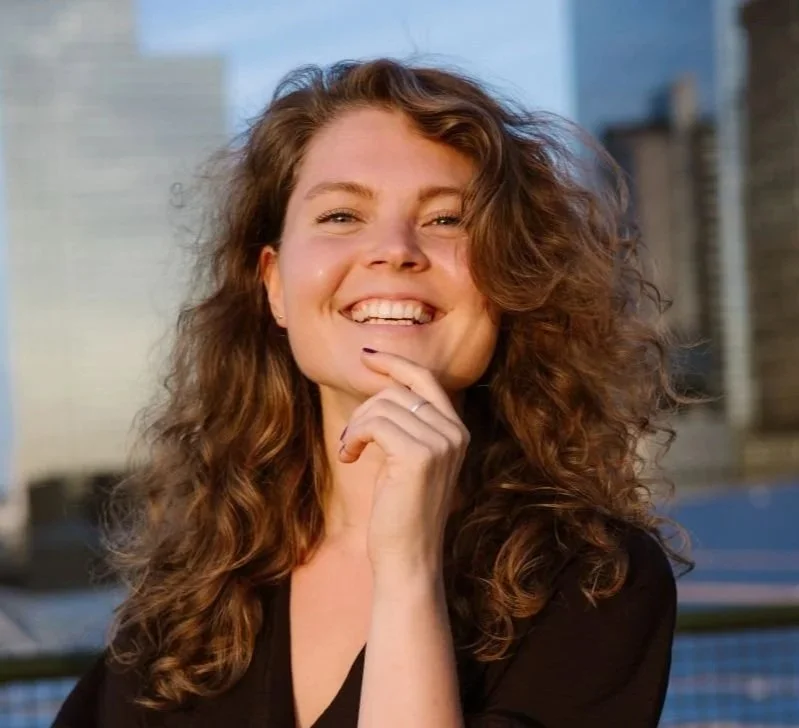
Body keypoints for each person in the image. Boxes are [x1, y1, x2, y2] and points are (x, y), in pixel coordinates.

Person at [53, 58, 688, 728]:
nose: (394, 249)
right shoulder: (191, 599)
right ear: (273, 284)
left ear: (510, 278)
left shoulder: (596, 581)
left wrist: (407, 572)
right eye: (340, 215)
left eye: (446, 220)